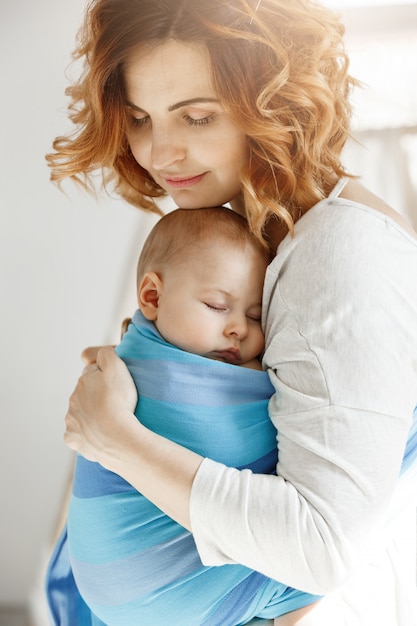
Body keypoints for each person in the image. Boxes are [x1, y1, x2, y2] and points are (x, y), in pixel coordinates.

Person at [48, 0, 417, 624]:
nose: (161, 154)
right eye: (140, 118)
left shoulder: (338, 251)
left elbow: (322, 546)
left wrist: (118, 439)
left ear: (278, 103)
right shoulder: (242, 234)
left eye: (196, 116)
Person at [51, 206, 323, 626]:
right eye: (217, 305)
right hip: (158, 595)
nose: (238, 328)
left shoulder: (129, 353)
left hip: (102, 594)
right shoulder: (157, 376)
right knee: (319, 561)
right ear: (153, 297)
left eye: (255, 316)